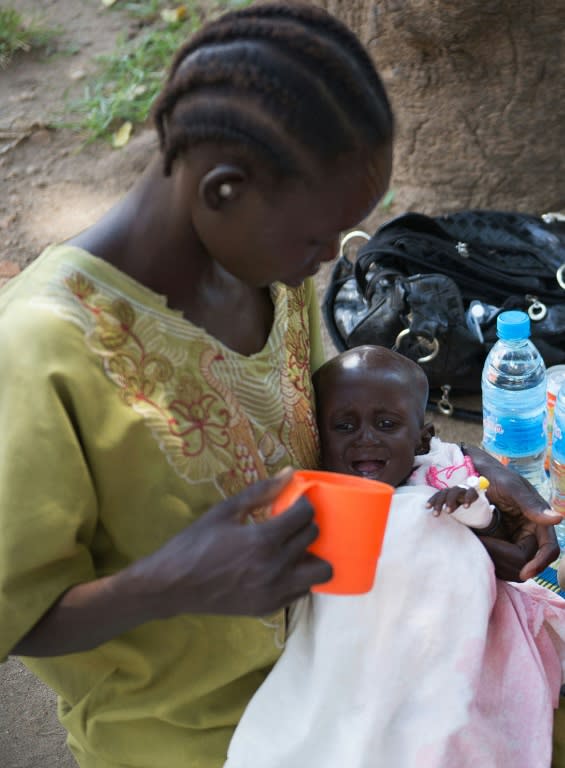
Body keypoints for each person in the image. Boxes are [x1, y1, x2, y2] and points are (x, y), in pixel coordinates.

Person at [0, 4, 558, 768]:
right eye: (317, 237)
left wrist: (453, 485)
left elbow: (331, 429)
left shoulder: (265, 276)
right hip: (199, 734)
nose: (330, 258)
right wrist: (171, 584)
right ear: (223, 190)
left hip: (356, 653)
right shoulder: (40, 351)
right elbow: (14, 615)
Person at [225, 345, 565, 768]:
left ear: (423, 437)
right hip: (364, 648)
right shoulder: (323, 492)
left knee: (452, 722)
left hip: (451, 637)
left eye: (387, 424)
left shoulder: (444, 472)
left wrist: (472, 514)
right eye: (344, 425)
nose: (365, 437)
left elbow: (507, 552)